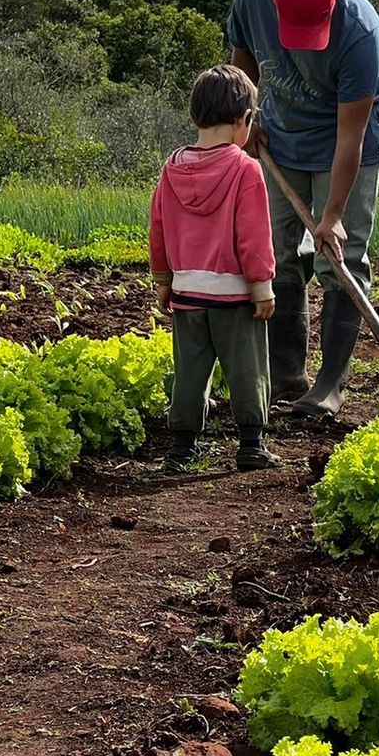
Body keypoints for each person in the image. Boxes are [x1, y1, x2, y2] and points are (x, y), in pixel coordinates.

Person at [227, 0, 379, 418]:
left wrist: (333, 216)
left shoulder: (360, 31)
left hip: (343, 142)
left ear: (330, 8)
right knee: (274, 250)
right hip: (279, 136)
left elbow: (350, 137)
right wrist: (248, 116)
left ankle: (330, 385)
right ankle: (286, 375)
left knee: (341, 258)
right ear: (273, 3)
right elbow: (242, 64)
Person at [150, 65, 280, 471]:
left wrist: (163, 281)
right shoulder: (246, 170)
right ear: (245, 121)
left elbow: (158, 228)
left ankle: (182, 449)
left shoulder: (171, 168)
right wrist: (262, 287)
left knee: (190, 371)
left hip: (188, 292)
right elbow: (254, 236)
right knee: (247, 369)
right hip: (235, 295)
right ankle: (251, 445)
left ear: (195, 117)